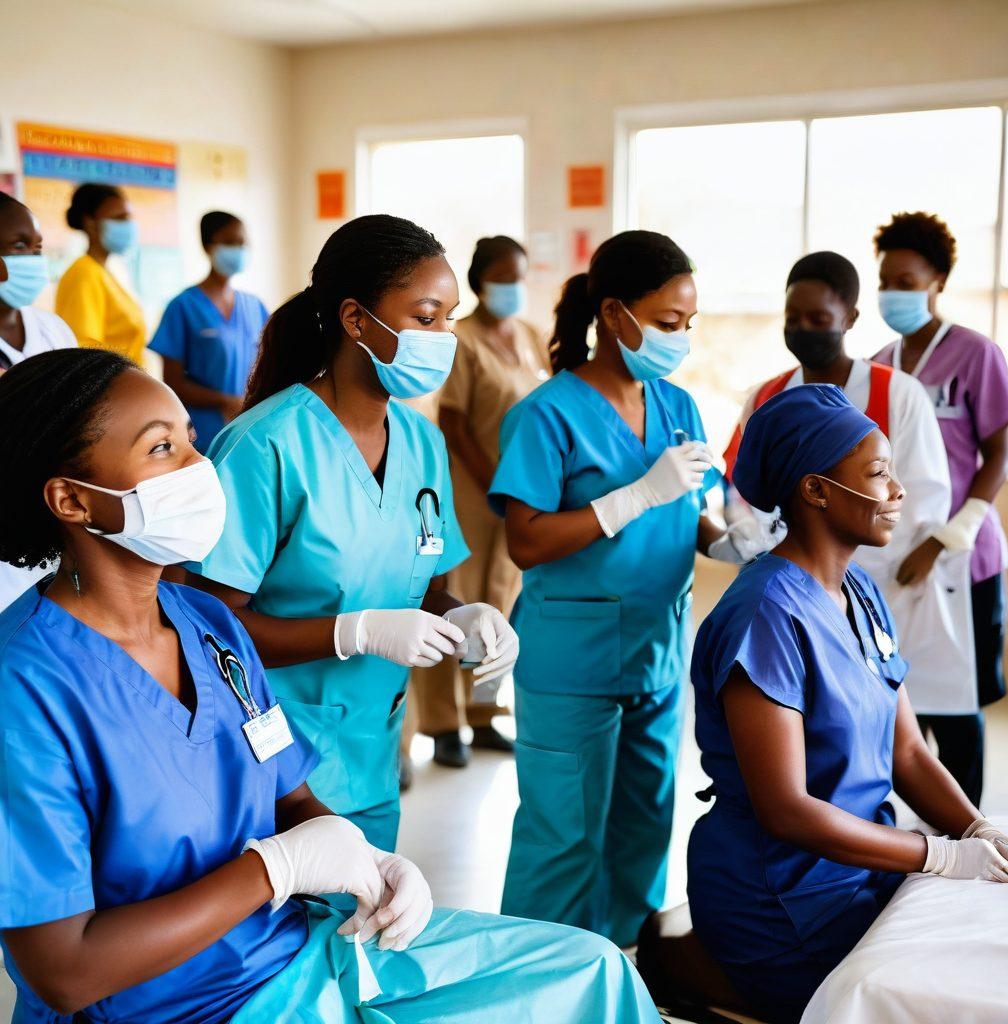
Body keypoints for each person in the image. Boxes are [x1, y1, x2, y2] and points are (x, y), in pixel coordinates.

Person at [0, 347, 663, 1024]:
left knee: (592, 972)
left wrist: (364, 857)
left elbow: (292, 795)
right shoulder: (24, 687)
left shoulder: (206, 626)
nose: (201, 471)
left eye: (192, 443)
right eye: (162, 448)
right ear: (72, 499)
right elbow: (65, 971)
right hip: (176, 1007)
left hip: (300, 949)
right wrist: (274, 871)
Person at [637, 385, 1008, 1024]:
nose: (898, 491)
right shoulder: (764, 616)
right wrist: (941, 855)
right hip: (783, 896)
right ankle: (681, 967)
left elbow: (905, 751)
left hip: (864, 865)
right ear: (815, 490)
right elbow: (787, 810)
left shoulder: (861, 592)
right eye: (877, 474)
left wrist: (974, 829)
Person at [188, 215, 517, 853]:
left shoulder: (422, 443)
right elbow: (208, 629)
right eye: (426, 318)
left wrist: (468, 617)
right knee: (290, 940)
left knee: (364, 934)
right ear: (356, 319)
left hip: (372, 747)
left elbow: (423, 587)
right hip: (276, 757)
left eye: (451, 317)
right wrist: (353, 632)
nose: (445, 338)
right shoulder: (267, 446)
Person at [490, 230, 762, 947]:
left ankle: (621, 969)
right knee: (564, 837)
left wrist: (728, 542)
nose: (680, 339)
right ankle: (538, 980)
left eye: (687, 326)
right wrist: (630, 497)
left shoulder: (678, 406)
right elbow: (526, 539)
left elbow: (688, 510)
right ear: (614, 314)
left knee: (645, 826)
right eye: (668, 324)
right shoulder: (547, 414)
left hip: (656, 652)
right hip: (570, 662)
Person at [723, 251, 962, 724]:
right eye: (793, 318)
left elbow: (922, 493)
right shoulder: (766, 397)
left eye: (818, 318)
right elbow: (739, 488)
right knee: (802, 713)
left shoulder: (896, 393)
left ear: (849, 318)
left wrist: (862, 562)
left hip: (882, 584)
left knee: (880, 716)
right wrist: (748, 534)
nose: (803, 328)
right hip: (788, 582)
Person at [873, 212, 1008, 806]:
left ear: (937, 281)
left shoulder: (975, 355)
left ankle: (968, 838)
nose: (894, 293)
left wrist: (946, 539)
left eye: (907, 281)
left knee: (958, 708)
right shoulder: (880, 364)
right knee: (901, 704)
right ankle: (917, 849)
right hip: (895, 561)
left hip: (965, 559)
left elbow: (998, 458)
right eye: (886, 281)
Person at [413, 235, 548, 770]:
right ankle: (444, 725)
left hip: (521, 497)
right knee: (456, 601)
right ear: (479, 282)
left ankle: (484, 712)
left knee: (502, 602)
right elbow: (454, 421)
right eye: (501, 276)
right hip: (472, 489)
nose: (511, 287)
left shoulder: (533, 336)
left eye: (519, 276)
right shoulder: (462, 341)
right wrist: (494, 480)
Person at [0, 192, 77, 611]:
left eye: (37, 248)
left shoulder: (52, 331)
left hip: (50, 512)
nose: (31, 259)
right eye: (17, 247)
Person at [149, 211, 269, 453]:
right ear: (207, 245)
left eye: (242, 243)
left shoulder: (254, 307)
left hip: (250, 430)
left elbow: (270, 364)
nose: (237, 249)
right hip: (201, 436)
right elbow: (171, 383)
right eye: (229, 242)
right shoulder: (183, 306)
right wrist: (225, 402)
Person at [56, 183, 147, 364]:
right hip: (110, 388)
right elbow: (85, 350)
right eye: (119, 218)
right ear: (90, 222)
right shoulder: (84, 273)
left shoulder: (105, 272)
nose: (128, 226)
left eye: (128, 218)